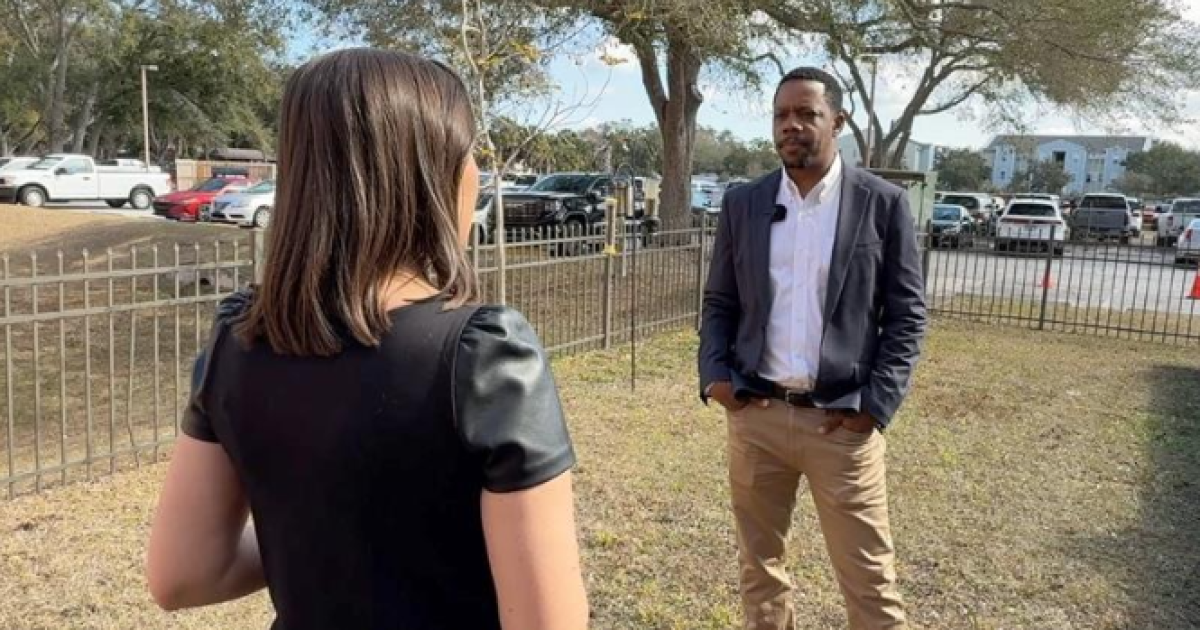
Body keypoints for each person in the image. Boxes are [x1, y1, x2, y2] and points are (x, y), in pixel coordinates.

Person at [146, 49, 589, 630]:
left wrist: (311, 537)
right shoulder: (482, 356)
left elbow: (182, 574)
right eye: (469, 151)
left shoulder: (237, 340)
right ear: (431, 171)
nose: (476, 170)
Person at [698, 67, 927, 630]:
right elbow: (720, 302)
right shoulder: (744, 203)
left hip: (840, 426)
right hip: (756, 417)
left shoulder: (882, 204)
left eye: (807, 113)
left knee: (870, 581)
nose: (791, 126)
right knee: (760, 570)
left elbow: (907, 314)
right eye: (781, 115)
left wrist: (874, 406)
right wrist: (716, 377)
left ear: (837, 122)